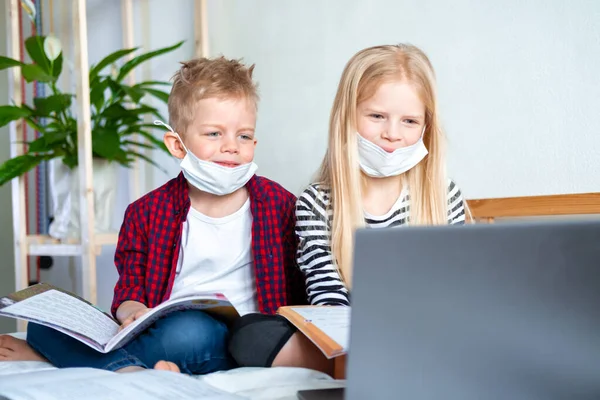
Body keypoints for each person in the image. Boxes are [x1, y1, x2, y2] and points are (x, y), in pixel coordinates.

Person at [0, 56, 306, 374]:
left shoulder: (280, 205)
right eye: (214, 134)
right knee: (45, 324)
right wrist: (133, 312)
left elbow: (300, 286)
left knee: (192, 331)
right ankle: (131, 366)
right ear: (177, 144)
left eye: (243, 136)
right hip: (160, 330)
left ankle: (95, 363)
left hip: (230, 338)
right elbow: (130, 289)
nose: (231, 146)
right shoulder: (145, 213)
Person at [226, 43, 467, 375]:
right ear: (347, 117)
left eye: (410, 121)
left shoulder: (444, 195)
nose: (392, 134)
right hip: (354, 332)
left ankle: (377, 365)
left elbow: (455, 290)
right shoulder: (316, 202)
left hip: (425, 329)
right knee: (251, 332)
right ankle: (384, 365)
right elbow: (327, 296)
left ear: (426, 126)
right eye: (377, 116)